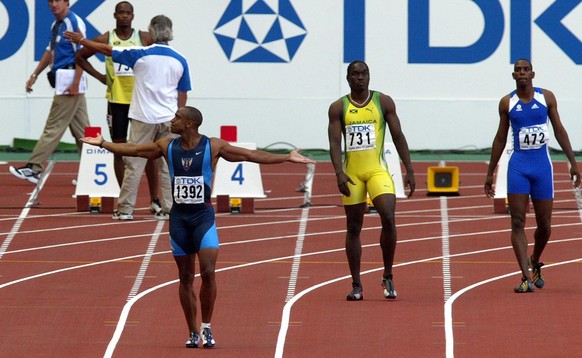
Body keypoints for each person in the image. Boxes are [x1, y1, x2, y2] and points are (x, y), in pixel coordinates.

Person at [80, 105, 315, 348]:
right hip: (179, 219)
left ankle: (207, 327)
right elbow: (136, 149)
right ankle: (192, 331)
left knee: (209, 271)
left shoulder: (213, 146)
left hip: (203, 218)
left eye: (177, 118)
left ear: (190, 124)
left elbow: (249, 156)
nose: (172, 121)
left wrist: (286, 157)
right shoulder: (166, 145)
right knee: (184, 276)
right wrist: (103, 144)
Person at [65, 14, 190, 221]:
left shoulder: (140, 54)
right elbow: (183, 93)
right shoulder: (180, 59)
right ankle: (170, 208)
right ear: (170, 32)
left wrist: (82, 41)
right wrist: (179, 119)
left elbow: (107, 50)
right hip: (169, 118)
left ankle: (125, 210)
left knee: (134, 164)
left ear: (151, 32)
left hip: (143, 117)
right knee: (169, 166)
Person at [484, 59, 580, 293]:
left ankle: (534, 260)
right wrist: (490, 171)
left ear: (533, 74)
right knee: (517, 222)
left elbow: (559, 130)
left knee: (545, 226)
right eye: (518, 70)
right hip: (518, 167)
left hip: (542, 168)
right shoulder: (507, 103)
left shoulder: (546, 98)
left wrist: (573, 162)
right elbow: (499, 138)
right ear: (513, 75)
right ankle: (525, 277)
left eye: (525, 69)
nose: (522, 73)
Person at [328, 60, 415, 301]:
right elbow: (335, 143)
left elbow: (398, 136)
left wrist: (409, 168)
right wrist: (338, 172)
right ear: (348, 78)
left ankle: (387, 274)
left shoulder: (383, 102)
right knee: (354, 227)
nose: (360, 78)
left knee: (388, 215)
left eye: (364, 73)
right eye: (355, 74)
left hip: (377, 170)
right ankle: (356, 284)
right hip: (353, 173)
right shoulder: (338, 107)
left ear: (369, 76)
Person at [74, 1, 163, 216]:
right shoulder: (106, 38)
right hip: (117, 102)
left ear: (133, 16)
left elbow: (160, 57)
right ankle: (126, 199)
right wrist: (100, 77)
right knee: (118, 150)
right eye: (120, 13)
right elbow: (79, 56)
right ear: (115, 15)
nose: (124, 16)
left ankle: (155, 199)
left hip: (142, 102)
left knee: (151, 152)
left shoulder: (144, 38)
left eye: (128, 13)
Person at [10, 0, 90, 184]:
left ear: (66, 3)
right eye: (50, 1)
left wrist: (76, 81)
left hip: (70, 79)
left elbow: (83, 52)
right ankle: (91, 171)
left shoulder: (73, 22)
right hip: (65, 79)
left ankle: (34, 167)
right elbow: (50, 51)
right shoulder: (57, 25)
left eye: (57, 1)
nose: (53, 4)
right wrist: (34, 74)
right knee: (83, 131)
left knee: (53, 126)